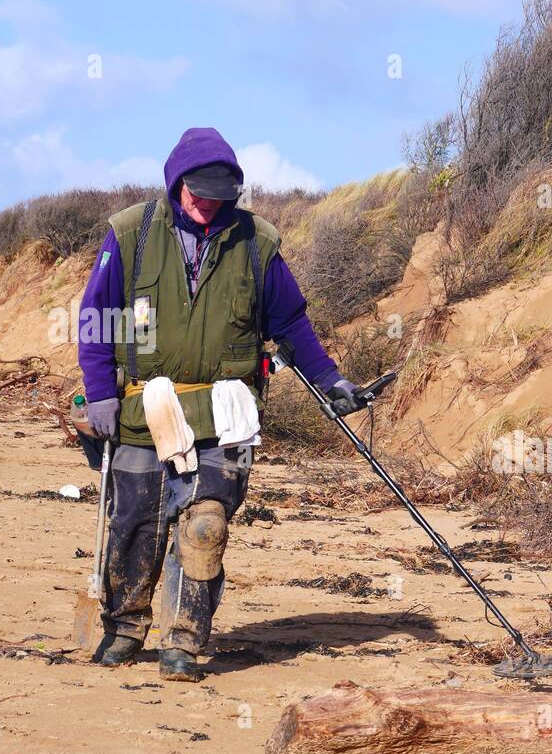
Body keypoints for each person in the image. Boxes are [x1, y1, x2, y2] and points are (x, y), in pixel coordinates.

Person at [77, 127, 362, 681]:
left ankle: (183, 639)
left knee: (204, 527)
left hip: (224, 412)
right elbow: (96, 317)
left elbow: (290, 324)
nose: (207, 205)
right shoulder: (130, 233)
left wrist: (330, 378)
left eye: (219, 196)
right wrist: (100, 392)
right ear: (176, 183)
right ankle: (125, 626)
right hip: (141, 410)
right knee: (134, 522)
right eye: (198, 193)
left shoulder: (256, 242)